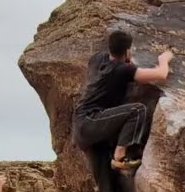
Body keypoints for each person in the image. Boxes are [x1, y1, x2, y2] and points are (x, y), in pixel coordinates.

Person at [72, 29, 174, 174]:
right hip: (91, 121)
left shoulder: (97, 58)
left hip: (81, 123)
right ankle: (120, 157)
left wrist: (126, 61)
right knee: (137, 110)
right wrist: (164, 59)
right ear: (127, 51)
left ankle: (116, 161)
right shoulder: (123, 70)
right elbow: (161, 74)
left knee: (107, 181)